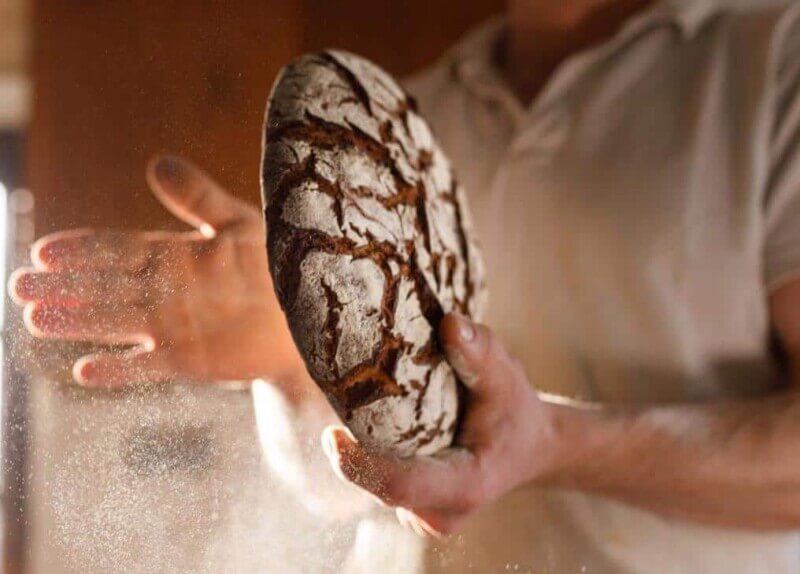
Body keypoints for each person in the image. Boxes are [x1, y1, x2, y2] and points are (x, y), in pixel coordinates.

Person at [11, 0, 800, 571]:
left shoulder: (773, 61)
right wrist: (295, 360)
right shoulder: (391, 119)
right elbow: (355, 491)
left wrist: (558, 446)